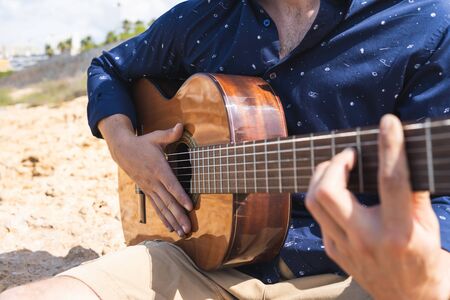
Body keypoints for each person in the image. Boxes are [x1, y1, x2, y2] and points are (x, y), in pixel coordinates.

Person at [2, 0, 450, 299]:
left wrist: (422, 274)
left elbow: (443, 208)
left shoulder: (427, 24)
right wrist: (125, 145)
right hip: (198, 258)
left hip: (357, 276)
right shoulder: (205, 16)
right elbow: (109, 67)